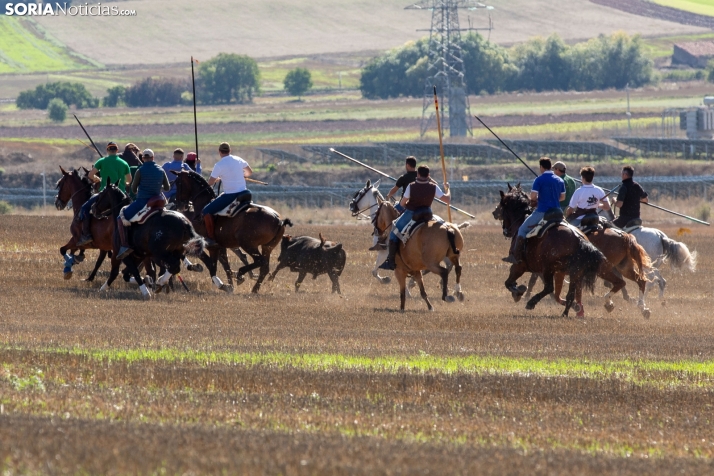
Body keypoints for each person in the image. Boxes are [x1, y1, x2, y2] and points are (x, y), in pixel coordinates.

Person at [379, 165, 451, 271]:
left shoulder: (411, 186)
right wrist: (448, 189)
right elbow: (447, 200)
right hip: (427, 213)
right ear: (429, 175)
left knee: (394, 232)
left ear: (418, 174)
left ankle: (391, 261)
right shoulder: (434, 187)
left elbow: (402, 204)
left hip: (411, 213)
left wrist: (399, 206)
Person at [116, 149, 171, 259]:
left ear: (142, 158)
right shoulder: (161, 170)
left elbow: (133, 188)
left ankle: (125, 245)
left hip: (142, 201)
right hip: (158, 202)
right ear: (153, 157)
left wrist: (138, 191)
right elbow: (167, 188)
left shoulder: (140, 170)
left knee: (119, 218)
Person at [510, 157, 565, 265]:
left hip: (542, 212)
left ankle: (516, 257)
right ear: (550, 166)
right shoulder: (560, 180)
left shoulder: (539, 180)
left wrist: (541, 198)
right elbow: (562, 197)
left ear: (541, 167)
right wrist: (552, 198)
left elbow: (533, 197)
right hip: (558, 213)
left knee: (522, 229)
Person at [76, 142, 132, 246]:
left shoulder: (101, 161)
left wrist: (100, 179)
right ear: (117, 151)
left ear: (107, 151)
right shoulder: (124, 163)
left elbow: (90, 175)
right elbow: (129, 180)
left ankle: (86, 235)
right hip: (121, 196)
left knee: (84, 208)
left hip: (104, 194)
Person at [201, 142, 253, 246]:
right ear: (230, 150)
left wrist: (216, 179)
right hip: (245, 192)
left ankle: (211, 238)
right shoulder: (239, 159)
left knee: (206, 211)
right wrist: (243, 175)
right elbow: (249, 172)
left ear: (219, 152)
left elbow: (210, 182)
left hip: (231, 195)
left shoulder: (219, 165)